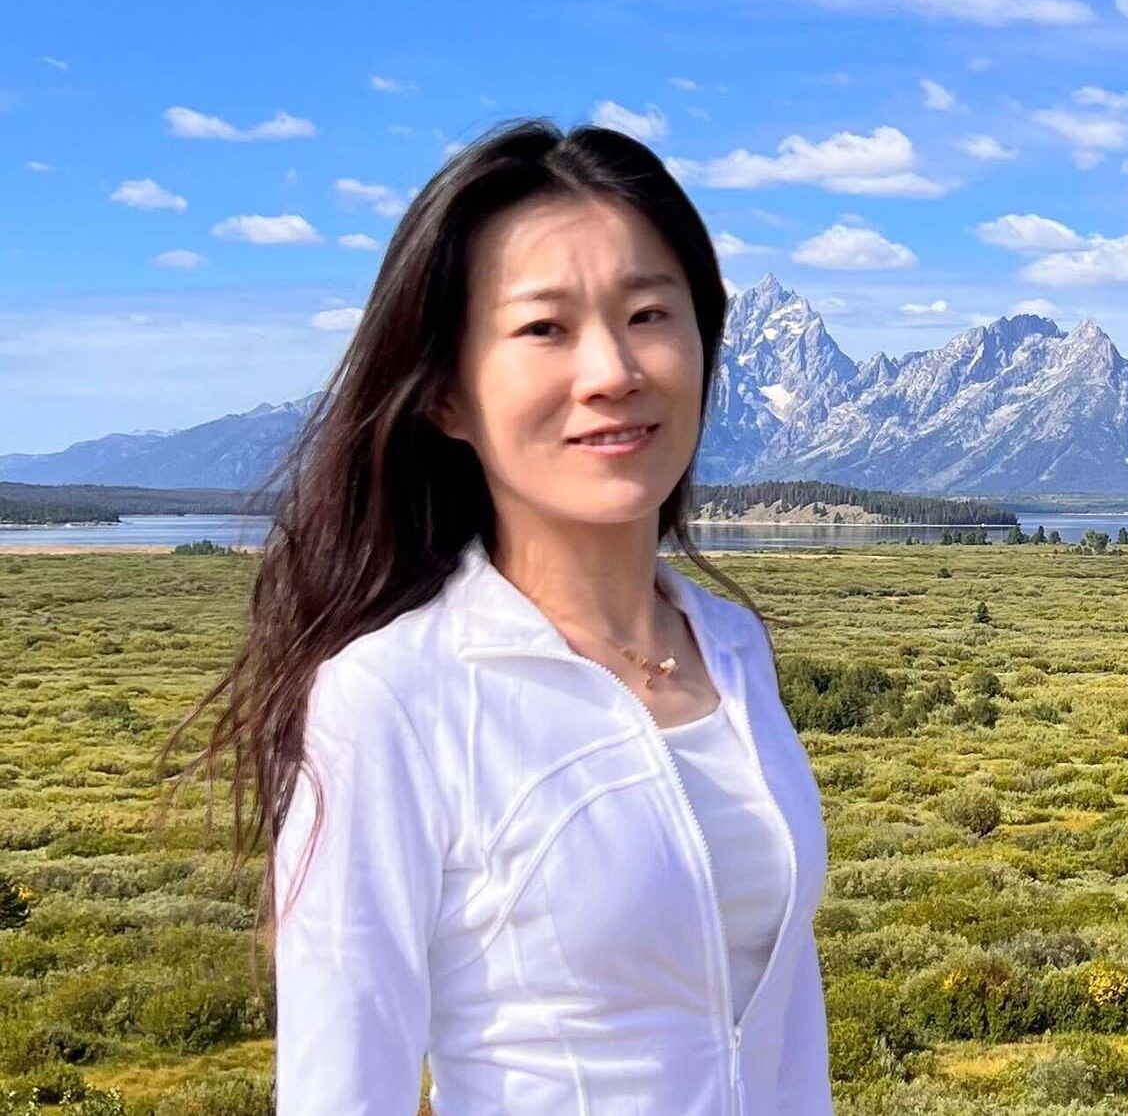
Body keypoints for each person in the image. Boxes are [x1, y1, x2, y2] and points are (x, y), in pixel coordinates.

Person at [165, 118, 833, 1114]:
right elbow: (343, 1089)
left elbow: (784, 1034)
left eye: (649, 313)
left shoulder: (731, 651)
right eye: (544, 328)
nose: (611, 369)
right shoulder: (389, 698)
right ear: (445, 395)